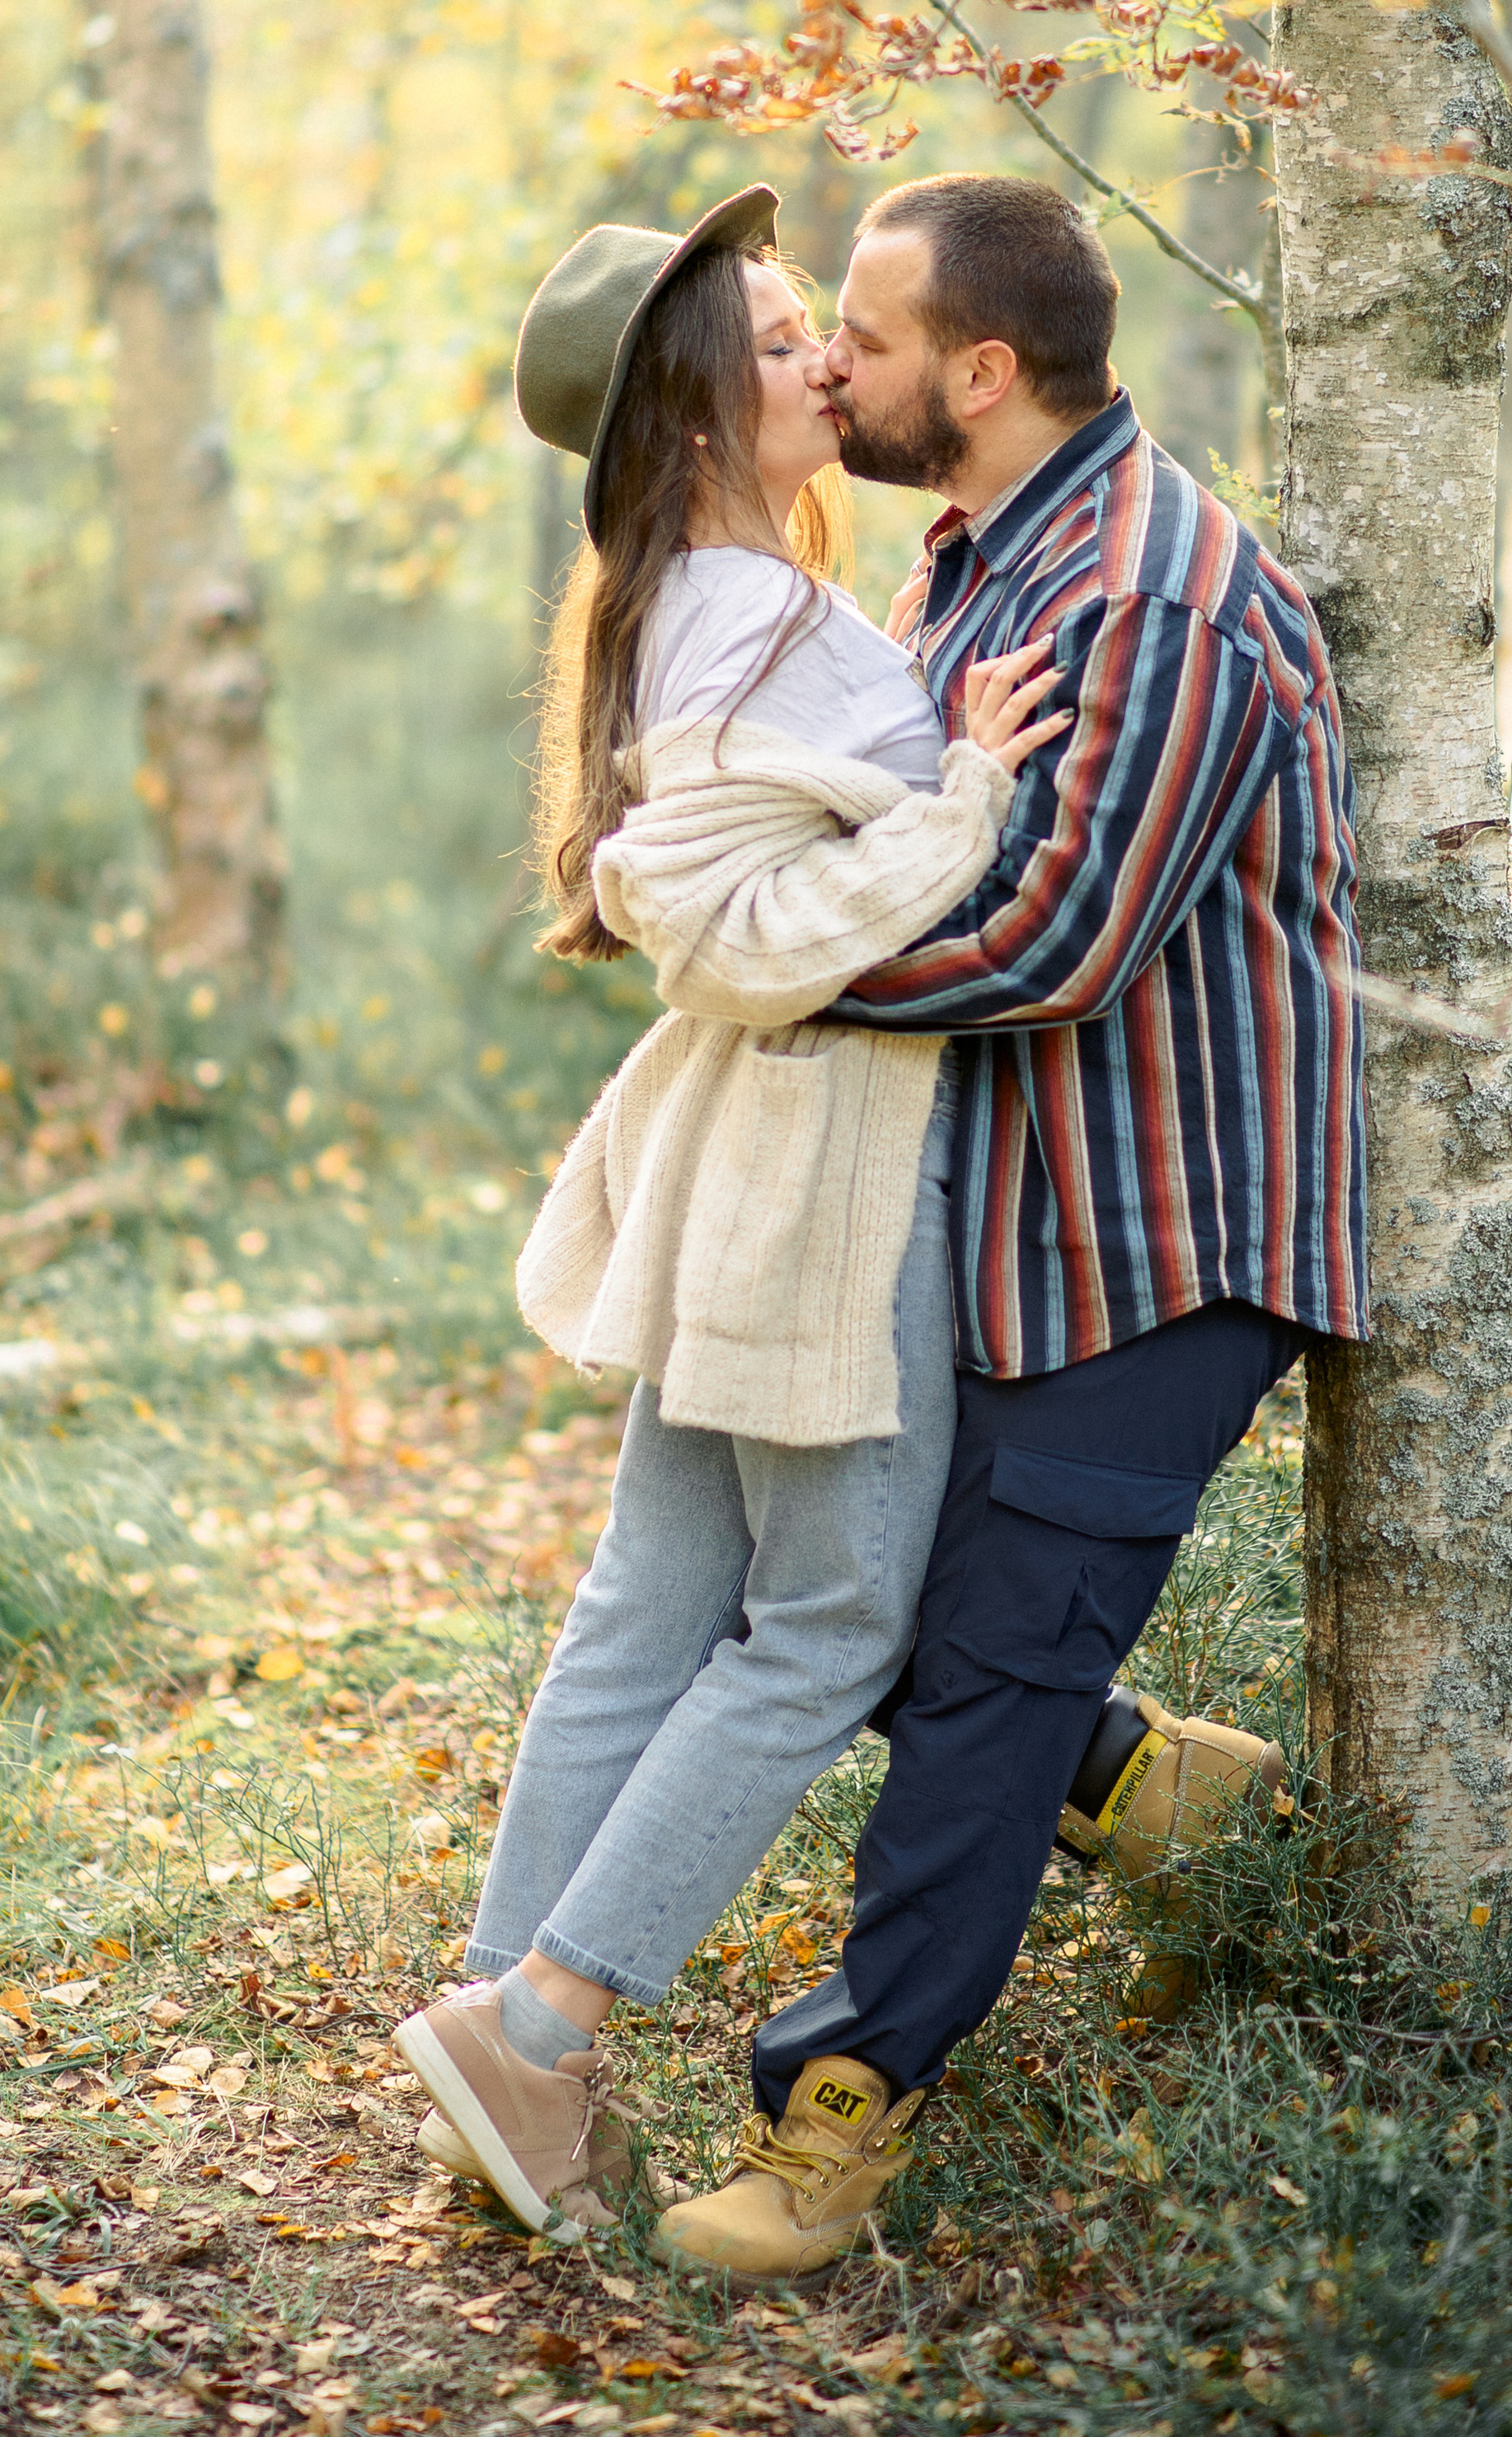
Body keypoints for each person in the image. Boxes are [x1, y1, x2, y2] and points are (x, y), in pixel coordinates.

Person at [653, 171, 1367, 2286]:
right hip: (999, 1225)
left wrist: (755, 964)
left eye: (856, 339)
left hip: (1163, 1240)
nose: (826, 369)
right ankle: (1161, 1795)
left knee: (960, 1680)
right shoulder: (969, 559)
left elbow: (1049, 939)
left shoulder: (1146, 593)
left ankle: (829, 2137)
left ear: (978, 370)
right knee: (825, 1606)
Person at [391, 183, 1068, 2238]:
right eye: (778, 340)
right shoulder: (749, 612)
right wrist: (962, 796)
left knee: (648, 1605)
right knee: (826, 1621)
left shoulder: (719, 594)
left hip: (745, 1160)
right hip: (813, 1163)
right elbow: (740, 934)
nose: (823, 363)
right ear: (688, 411)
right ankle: (549, 2023)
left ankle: (499, 2028)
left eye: (814, 329)